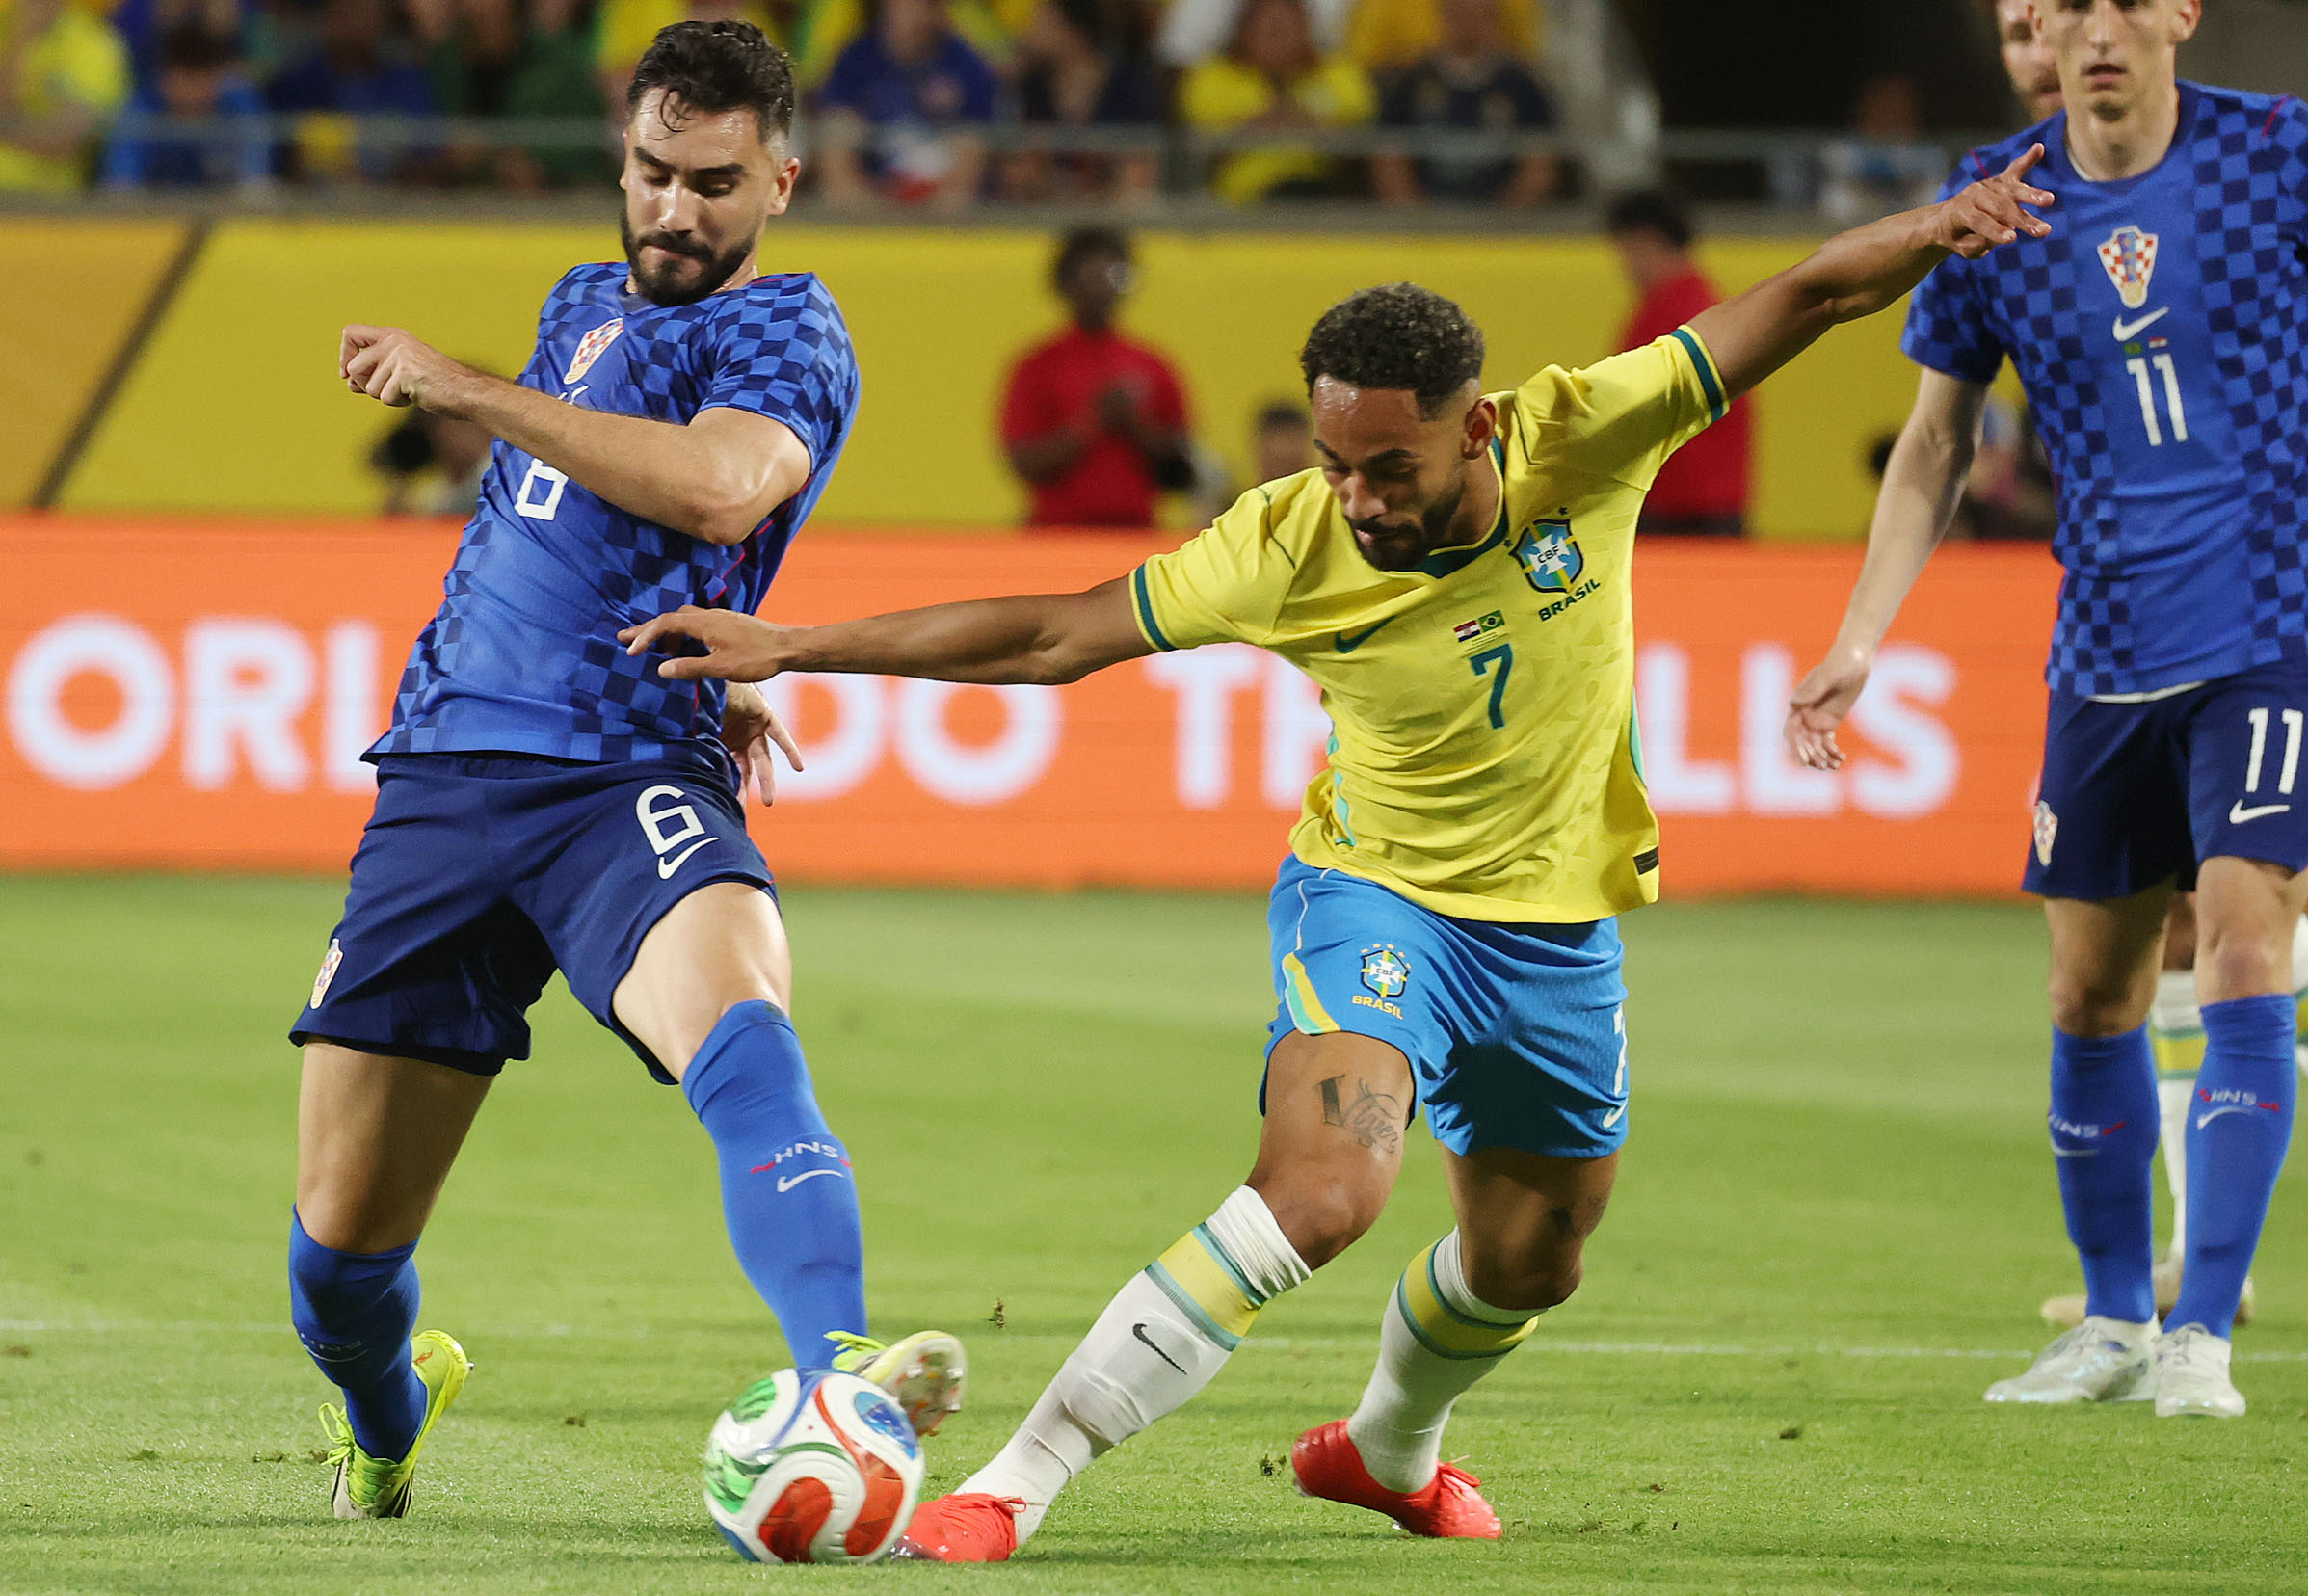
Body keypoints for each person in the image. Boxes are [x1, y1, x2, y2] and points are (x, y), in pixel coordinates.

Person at [623, 156, 2052, 1555]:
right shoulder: (1285, 545)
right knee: (1325, 1192)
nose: (1357, 500)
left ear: (1476, 428)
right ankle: (1016, 1481)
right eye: (1333, 463)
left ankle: (1386, 1450)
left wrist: (1941, 225)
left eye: (1388, 468)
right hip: (1378, 899)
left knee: (1531, 1261)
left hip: (1559, 931)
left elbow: (1804, 296)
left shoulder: (1585, 434)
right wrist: (800, 644)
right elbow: (1056, 633)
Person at [291, 19, 962, 1521]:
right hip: (442, 772)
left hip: (621, 772)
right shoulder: (580, 299)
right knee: (333, 1265)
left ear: (779, 182)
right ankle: (389, 1411)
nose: (674, 208)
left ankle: (842, 1384)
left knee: (744, 1036)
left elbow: (722, 487)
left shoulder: (785, 329)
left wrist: (463, 385)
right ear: (622, 156)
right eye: (654, 172)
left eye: (713, 183)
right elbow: (564, 516)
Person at [1787, 0, 2305, 1420]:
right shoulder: (1994, 203)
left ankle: (2202, 1334)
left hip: (2268, 625)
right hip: (2104, 645)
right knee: (2089, 993)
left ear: (2178, 14)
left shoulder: (2276, 154)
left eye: (2118, 0)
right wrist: (1857, 639)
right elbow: (1934, 443)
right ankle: (2113, 1321)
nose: (2090, 30)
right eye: (2059, 6)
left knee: (2245, 946)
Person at [999, 226, 1194, 529]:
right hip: (1056, 534)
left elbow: (1183, 468)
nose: (1101, 287)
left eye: (1113, 274)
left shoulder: (1154, 365)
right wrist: (1094, 421)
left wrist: (1135, 425)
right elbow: (1023, 462)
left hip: (1137, 534)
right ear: (1064, 282)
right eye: (1090, 275)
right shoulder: (1038, 366)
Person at [1606, 190, 1752, 537]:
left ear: (1647, 241)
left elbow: (1627, 403)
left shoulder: (1670, 312)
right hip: (1708, 499)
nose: (1625, 267)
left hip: (1680, 505)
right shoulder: (1706, 304)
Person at [1178, 0, 1372, 205]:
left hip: (1322, 194)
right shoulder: (1212, 77)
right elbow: (1199, 147)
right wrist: (1252, 128)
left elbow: (1360, 130)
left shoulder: (1337, 73)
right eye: (1271, 30)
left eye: (1288, 28)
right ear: (1245, 31)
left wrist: (1310, 125)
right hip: (1240, 204)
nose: (1280, 38)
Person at [1372, 0, 1558, 209]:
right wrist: (1416, 214)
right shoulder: (1412, 82)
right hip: (1427, 218)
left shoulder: (1522, 86)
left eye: (1478, 15)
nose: (1468, 24)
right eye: (1459, 14)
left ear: (1494, 18)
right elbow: (1389, 159)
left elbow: (1540, 162)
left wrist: (1506, 216)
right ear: (1443, 15)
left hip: (1501, 220)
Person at [814, 0, 997, 210]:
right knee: (836, 129)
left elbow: (974, 143)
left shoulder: (967, 64)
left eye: (929, 5)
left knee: (970, 140)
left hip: (939, 189)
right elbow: (835, 128)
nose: (919, 14)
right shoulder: (855, 58)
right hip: (874, 185)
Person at [999, 0, 1162, 204]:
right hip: (1048, 209)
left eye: (1043, 21)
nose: (1030, 29)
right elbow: (1019, 172)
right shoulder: (1032, 88)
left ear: (1074, 33)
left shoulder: (1127, 86)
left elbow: (1140, 171)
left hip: (1110, 211)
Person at [100, 20, 271, 189]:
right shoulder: (141, 109)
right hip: (160, 205)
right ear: (163, 78)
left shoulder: (241, 105)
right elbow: (121, 186)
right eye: (185, 78)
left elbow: (256, 185)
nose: (192, 92)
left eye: (201, 78)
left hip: (224, 204)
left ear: (219, 76)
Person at [0, 0, 129, 192]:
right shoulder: (7, 25)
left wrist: (6, 129)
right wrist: (20, 38)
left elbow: (64, 138)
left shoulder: (95, 44)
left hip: (42, 199)